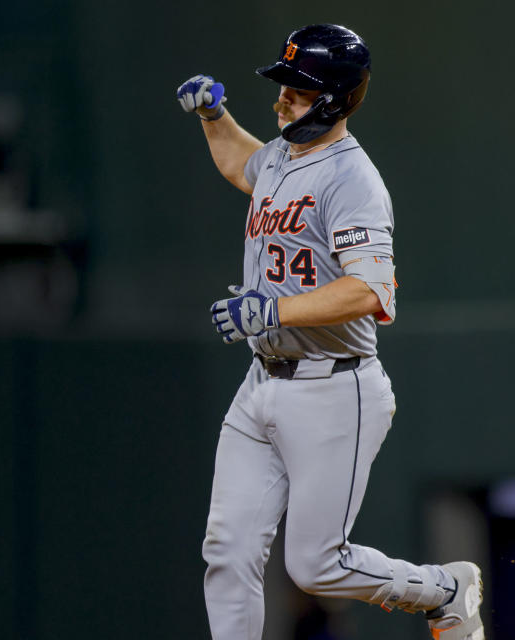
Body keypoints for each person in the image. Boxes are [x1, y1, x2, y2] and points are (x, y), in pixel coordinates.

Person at [176, 24, 484, 640]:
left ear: (335, 99)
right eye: (285, 85)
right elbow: (246, 165)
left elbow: (371, 290)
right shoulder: (285, 155)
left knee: (315, 565)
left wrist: (273, 311)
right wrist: (214, 116)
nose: (282, 97)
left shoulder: (354, 180)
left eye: (297, 89)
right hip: (262, 380)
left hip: (332, 389)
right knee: (227, 551)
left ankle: (446, 590)